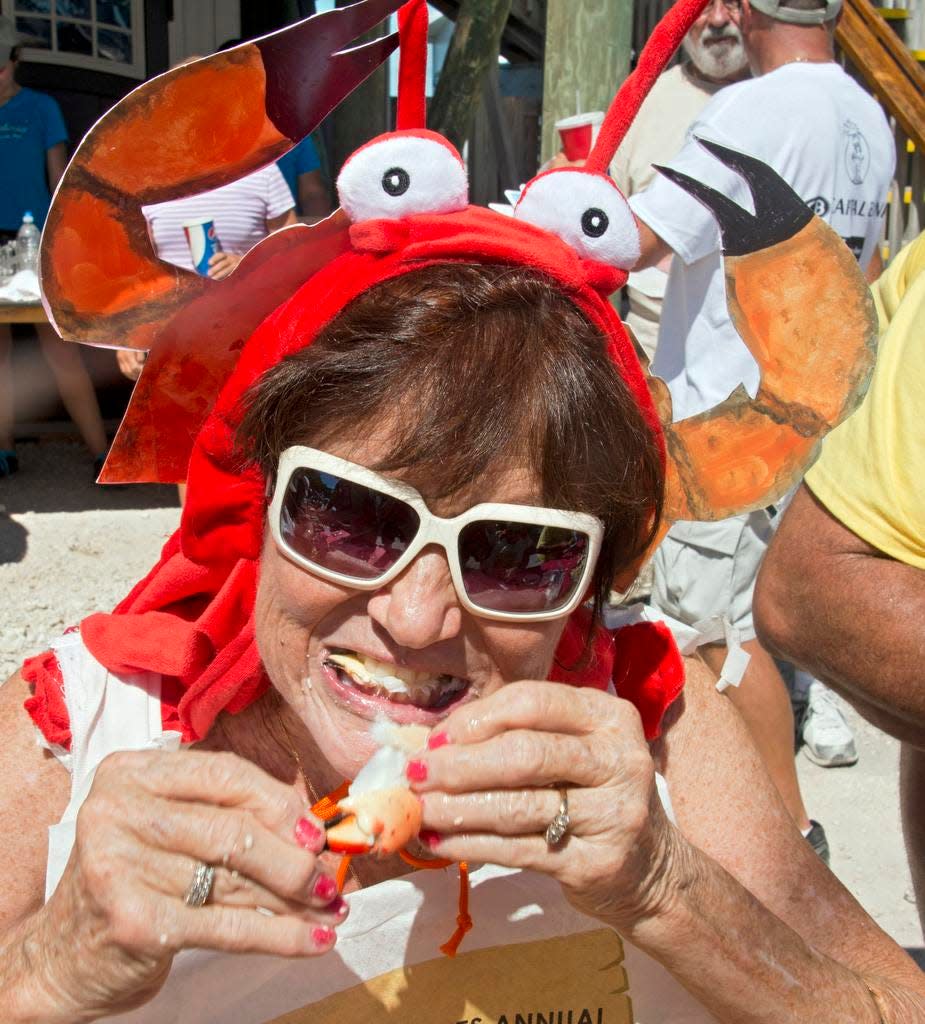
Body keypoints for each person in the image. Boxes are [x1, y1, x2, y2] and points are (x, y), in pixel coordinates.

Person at [3, 1, 924, 1020]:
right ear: (255, 497)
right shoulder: (74, 742)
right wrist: (47, 971)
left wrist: (670, 890)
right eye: (349, 516)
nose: (414, 618)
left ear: (589, 582)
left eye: (520, 554)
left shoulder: (652, 736)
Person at [629, 0, 893, 845]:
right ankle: (779, 836)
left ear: (743, 8)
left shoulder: (752, 107)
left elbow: (639, 238)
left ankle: (783, 845)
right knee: (739, 639)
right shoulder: (865, 112)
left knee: (710, 645)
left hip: (723, 427)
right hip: (802, 421)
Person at [755, 230, 925, 932]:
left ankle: (787, 846)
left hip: (764, 426)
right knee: (707, 646)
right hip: (733, 429)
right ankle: (786, 846)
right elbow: (811, 591)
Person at [0, 17, 108, 479]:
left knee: (59, 347)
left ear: (15, 62)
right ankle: (3, 449)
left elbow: (60, 182)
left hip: (36, 237)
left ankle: (100, 451)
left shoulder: (41, 108)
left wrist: (62, 242)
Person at [611, 0, 749, 361]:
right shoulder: (643, 102)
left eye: (731, 3)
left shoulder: (789, 103)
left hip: (760, 362)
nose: (717, 20)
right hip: (655, 364)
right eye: (701, 5)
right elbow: (610, 228)